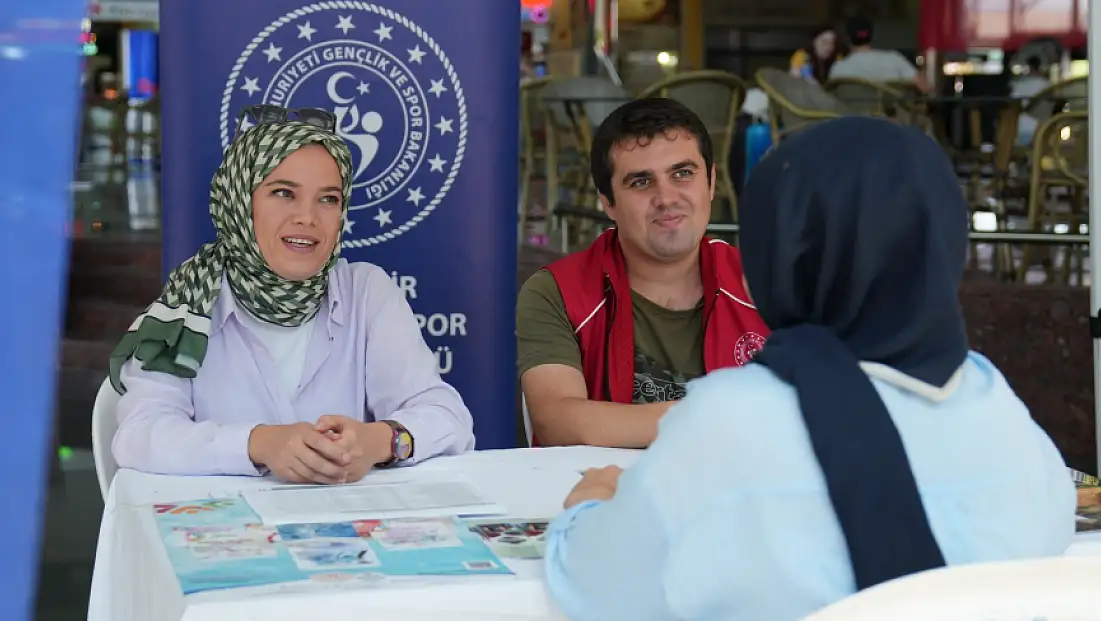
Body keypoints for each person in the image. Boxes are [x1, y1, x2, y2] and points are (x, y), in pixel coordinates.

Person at [542, 117, 1075, 621]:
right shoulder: (1000, 411)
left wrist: (588, 509)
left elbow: (598, 584)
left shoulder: (736, 419)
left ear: (784, 256)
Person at [110, 107, 474, 482]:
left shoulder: (366, 292)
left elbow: (448, 417)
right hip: (226, 534)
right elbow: (139, 435)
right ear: (239, 202)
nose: (308, 217)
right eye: (284, 193)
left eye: (328, 199)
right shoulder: (188, 302)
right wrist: (259, 444)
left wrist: (378, 441)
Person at [516, 98, 769, 449]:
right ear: (608, 202)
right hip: (600, 496)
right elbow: (559, 421)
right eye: (640, 182)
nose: (666, 198)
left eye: (683, 173)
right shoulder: (556, 291)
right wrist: (726, 418)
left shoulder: (766, 281)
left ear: (710, 182)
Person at [829, 17, 932, 93]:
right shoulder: (894, 59)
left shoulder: (839, 68)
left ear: (847, 39)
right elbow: (926, 88)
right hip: (892, 120)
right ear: (872, 36)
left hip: (854, 120)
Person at [1011, 56, 1052, 146]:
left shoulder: (1020, 84)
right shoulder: (1047, 84)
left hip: (1020, 126)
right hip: (1041, 128)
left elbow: (1013, 102)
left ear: (1028, 66)